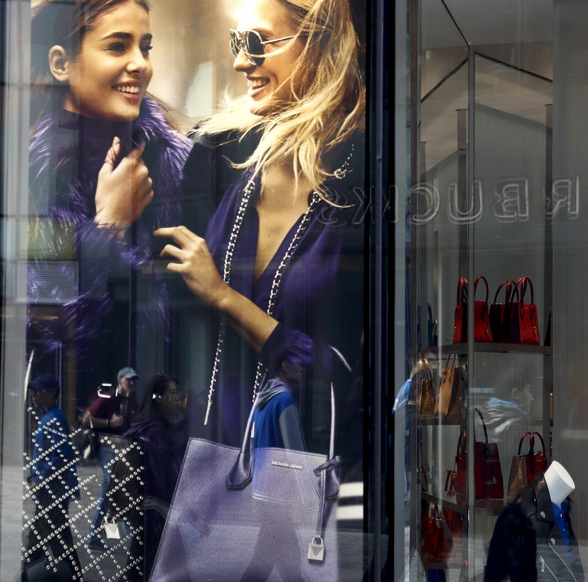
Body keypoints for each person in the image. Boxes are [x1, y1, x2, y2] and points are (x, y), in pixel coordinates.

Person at [156, 0, 366, 465]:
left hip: (295, 472)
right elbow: (161, 318)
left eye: (256, 42)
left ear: (318, 45)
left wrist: (224, 297)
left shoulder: (360, 180)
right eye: (236, 42)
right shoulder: (219, 157)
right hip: (201, 464)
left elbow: (341, 372)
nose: (238, 61)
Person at [25, 0, 192, 386]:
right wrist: (107, 228)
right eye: (118, 46)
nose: (141, 64)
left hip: (157, 427)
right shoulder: (22, 175)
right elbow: (37, 354)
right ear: (60, 63)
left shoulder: (177, 165)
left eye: (145, 47)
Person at [116, 372, 186, 581]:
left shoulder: (152, 427)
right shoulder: (154, 432)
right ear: (158, 398)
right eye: (172, 393)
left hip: (151, 513)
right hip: (157, 515)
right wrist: (188, 511)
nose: (177, 397)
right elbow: (166, 477)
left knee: (141, 569)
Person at [22, 373, 83, 581]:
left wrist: (39, 480)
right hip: (51, 490)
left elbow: (61, 455)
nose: (34, 396)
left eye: (38, 392)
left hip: (52, 490)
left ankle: (27, 573)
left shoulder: (54, 419)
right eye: (33, 392)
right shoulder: (50, 417)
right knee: (52, 538)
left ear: (52, 393)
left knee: (46, 539)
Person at [82, 366, 140, 550]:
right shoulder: (108, 398)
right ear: (119, 380)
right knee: (116, 490)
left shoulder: (133, 403)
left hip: (124, 451)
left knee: (110, 493)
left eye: (134, 380)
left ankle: (106, 535)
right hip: (108, 449)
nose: (131, 383)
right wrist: (109, 422)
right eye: (128, 379)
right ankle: (126, 536)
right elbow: (86, 419)